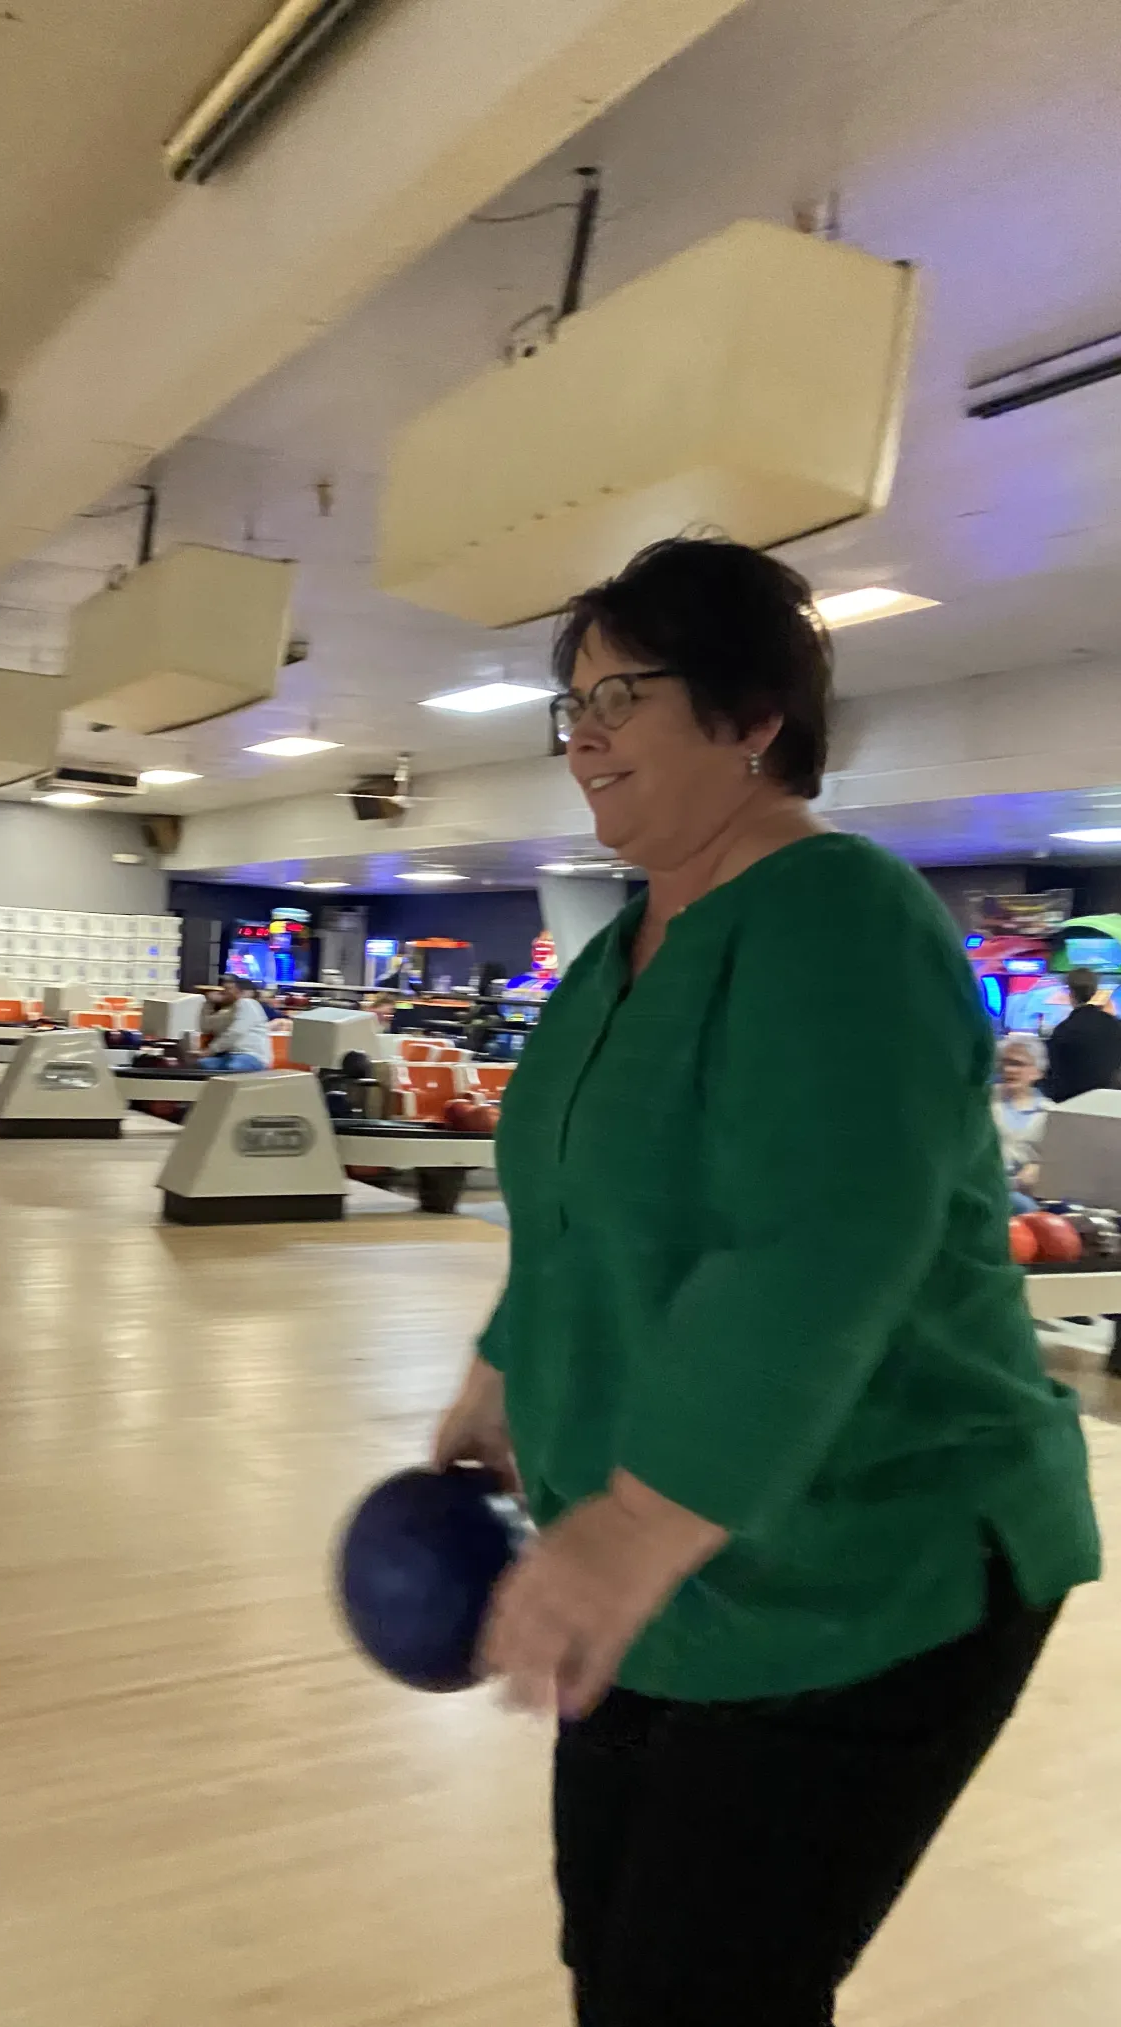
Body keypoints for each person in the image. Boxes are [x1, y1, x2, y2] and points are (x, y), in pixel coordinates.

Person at [430, 536, 1100, 2027]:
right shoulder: (620, 954)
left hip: (883, 1554)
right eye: (571, 703)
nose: (582, 734)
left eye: (624, 693)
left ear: (751, 719)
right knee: (616, 1954)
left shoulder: (841, 920)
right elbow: (573, 1217)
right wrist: (501, 1371)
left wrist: (638, 1522)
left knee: (704, 1988)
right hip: (681, 1547)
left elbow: (811, 1250)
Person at [1044, 966, 1121, 1103]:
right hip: (1111, 1104)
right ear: (1095, 991)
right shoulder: (1115, 1026)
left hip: (1070, 1105)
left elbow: (1052, 1074)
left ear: (1071, 994)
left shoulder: (1063, 1030)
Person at [993, 1032, 1052, 1212]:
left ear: (1038, 1072)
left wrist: (1040, 1169)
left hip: (1024, 1192)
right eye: (1005, 1063)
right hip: (985, 1186)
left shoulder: (1050, 1112)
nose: (1009, 1070)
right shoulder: (982, 1101)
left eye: (1017, 1064)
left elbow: (1057, 1163)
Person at [200, 978, 273, 1073]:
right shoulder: (227, 1012)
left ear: (240, 991)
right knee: (202, 1064)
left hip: (251, 1056)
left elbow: (236, 1032)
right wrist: (209, 1003)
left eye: (229, 989)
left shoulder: (247, 1003)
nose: (224, 992)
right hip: (229, 1055)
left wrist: (210, 1050)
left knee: (233, 1067)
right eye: (224, 989)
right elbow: (206, 1028)